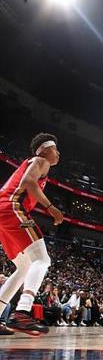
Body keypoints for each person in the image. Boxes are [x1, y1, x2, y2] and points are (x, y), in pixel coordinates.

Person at [0, 133, 64, 336]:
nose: (58, 153)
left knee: (24, 267)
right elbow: (28, 182)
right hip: (12, 207)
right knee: (42, 260)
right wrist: (51, 208)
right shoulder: (40, 161)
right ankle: (22, 312)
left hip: (4, 211)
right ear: (44, 149)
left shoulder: (35, 162)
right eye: (55, 149)